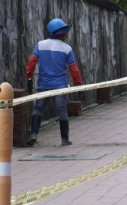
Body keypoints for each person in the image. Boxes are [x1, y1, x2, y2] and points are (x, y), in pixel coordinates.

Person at [25, 17, 84, 146]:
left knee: (38, 109)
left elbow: (31, 62)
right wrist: (79, 85)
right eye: (65, 32)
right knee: (62, 110)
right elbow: (74, 69)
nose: (67, 35)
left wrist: (29, 78)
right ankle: (64, 139)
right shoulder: (66, 49)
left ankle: (34, 134)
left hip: (43, 84)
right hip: (60, 86)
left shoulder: (40, 45)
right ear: (62, 33)